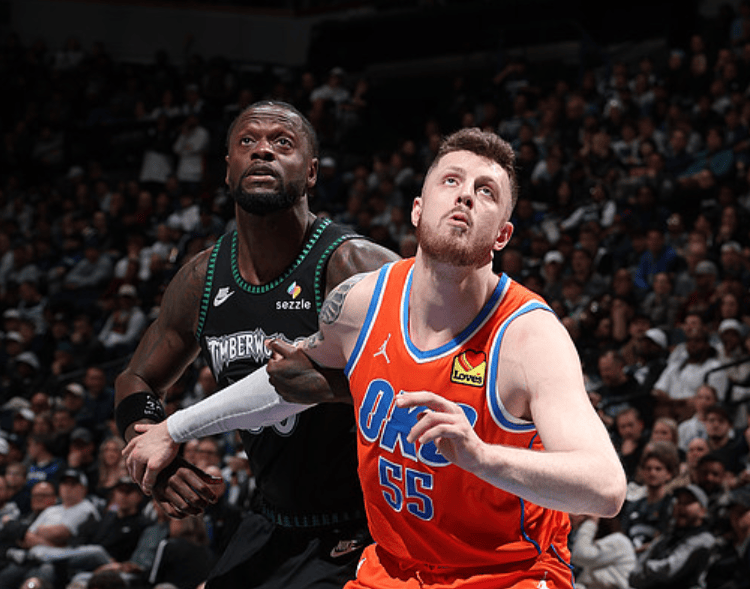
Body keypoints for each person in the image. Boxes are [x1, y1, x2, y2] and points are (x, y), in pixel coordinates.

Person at [124, 127, 626, 588]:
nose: (466, 195)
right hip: (393, 570)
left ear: (502, 235)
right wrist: (174, 429)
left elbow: (605, 487)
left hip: (507, 572)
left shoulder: (529, 336)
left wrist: (481, 457)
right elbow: (289, 381)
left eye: (486, 191)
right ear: (417, 209)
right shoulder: (361, 301)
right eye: (451, 180)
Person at [114, 100, 399, 589]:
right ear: (228, 170)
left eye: (282, 143)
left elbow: (422, 379)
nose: (263, 150)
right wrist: (157, 459)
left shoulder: (355, 266)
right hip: (271, 519)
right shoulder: (202, 279)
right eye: (248, 141)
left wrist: (330, 386)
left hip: (364, 522)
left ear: (311, 173)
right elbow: (136, 377)